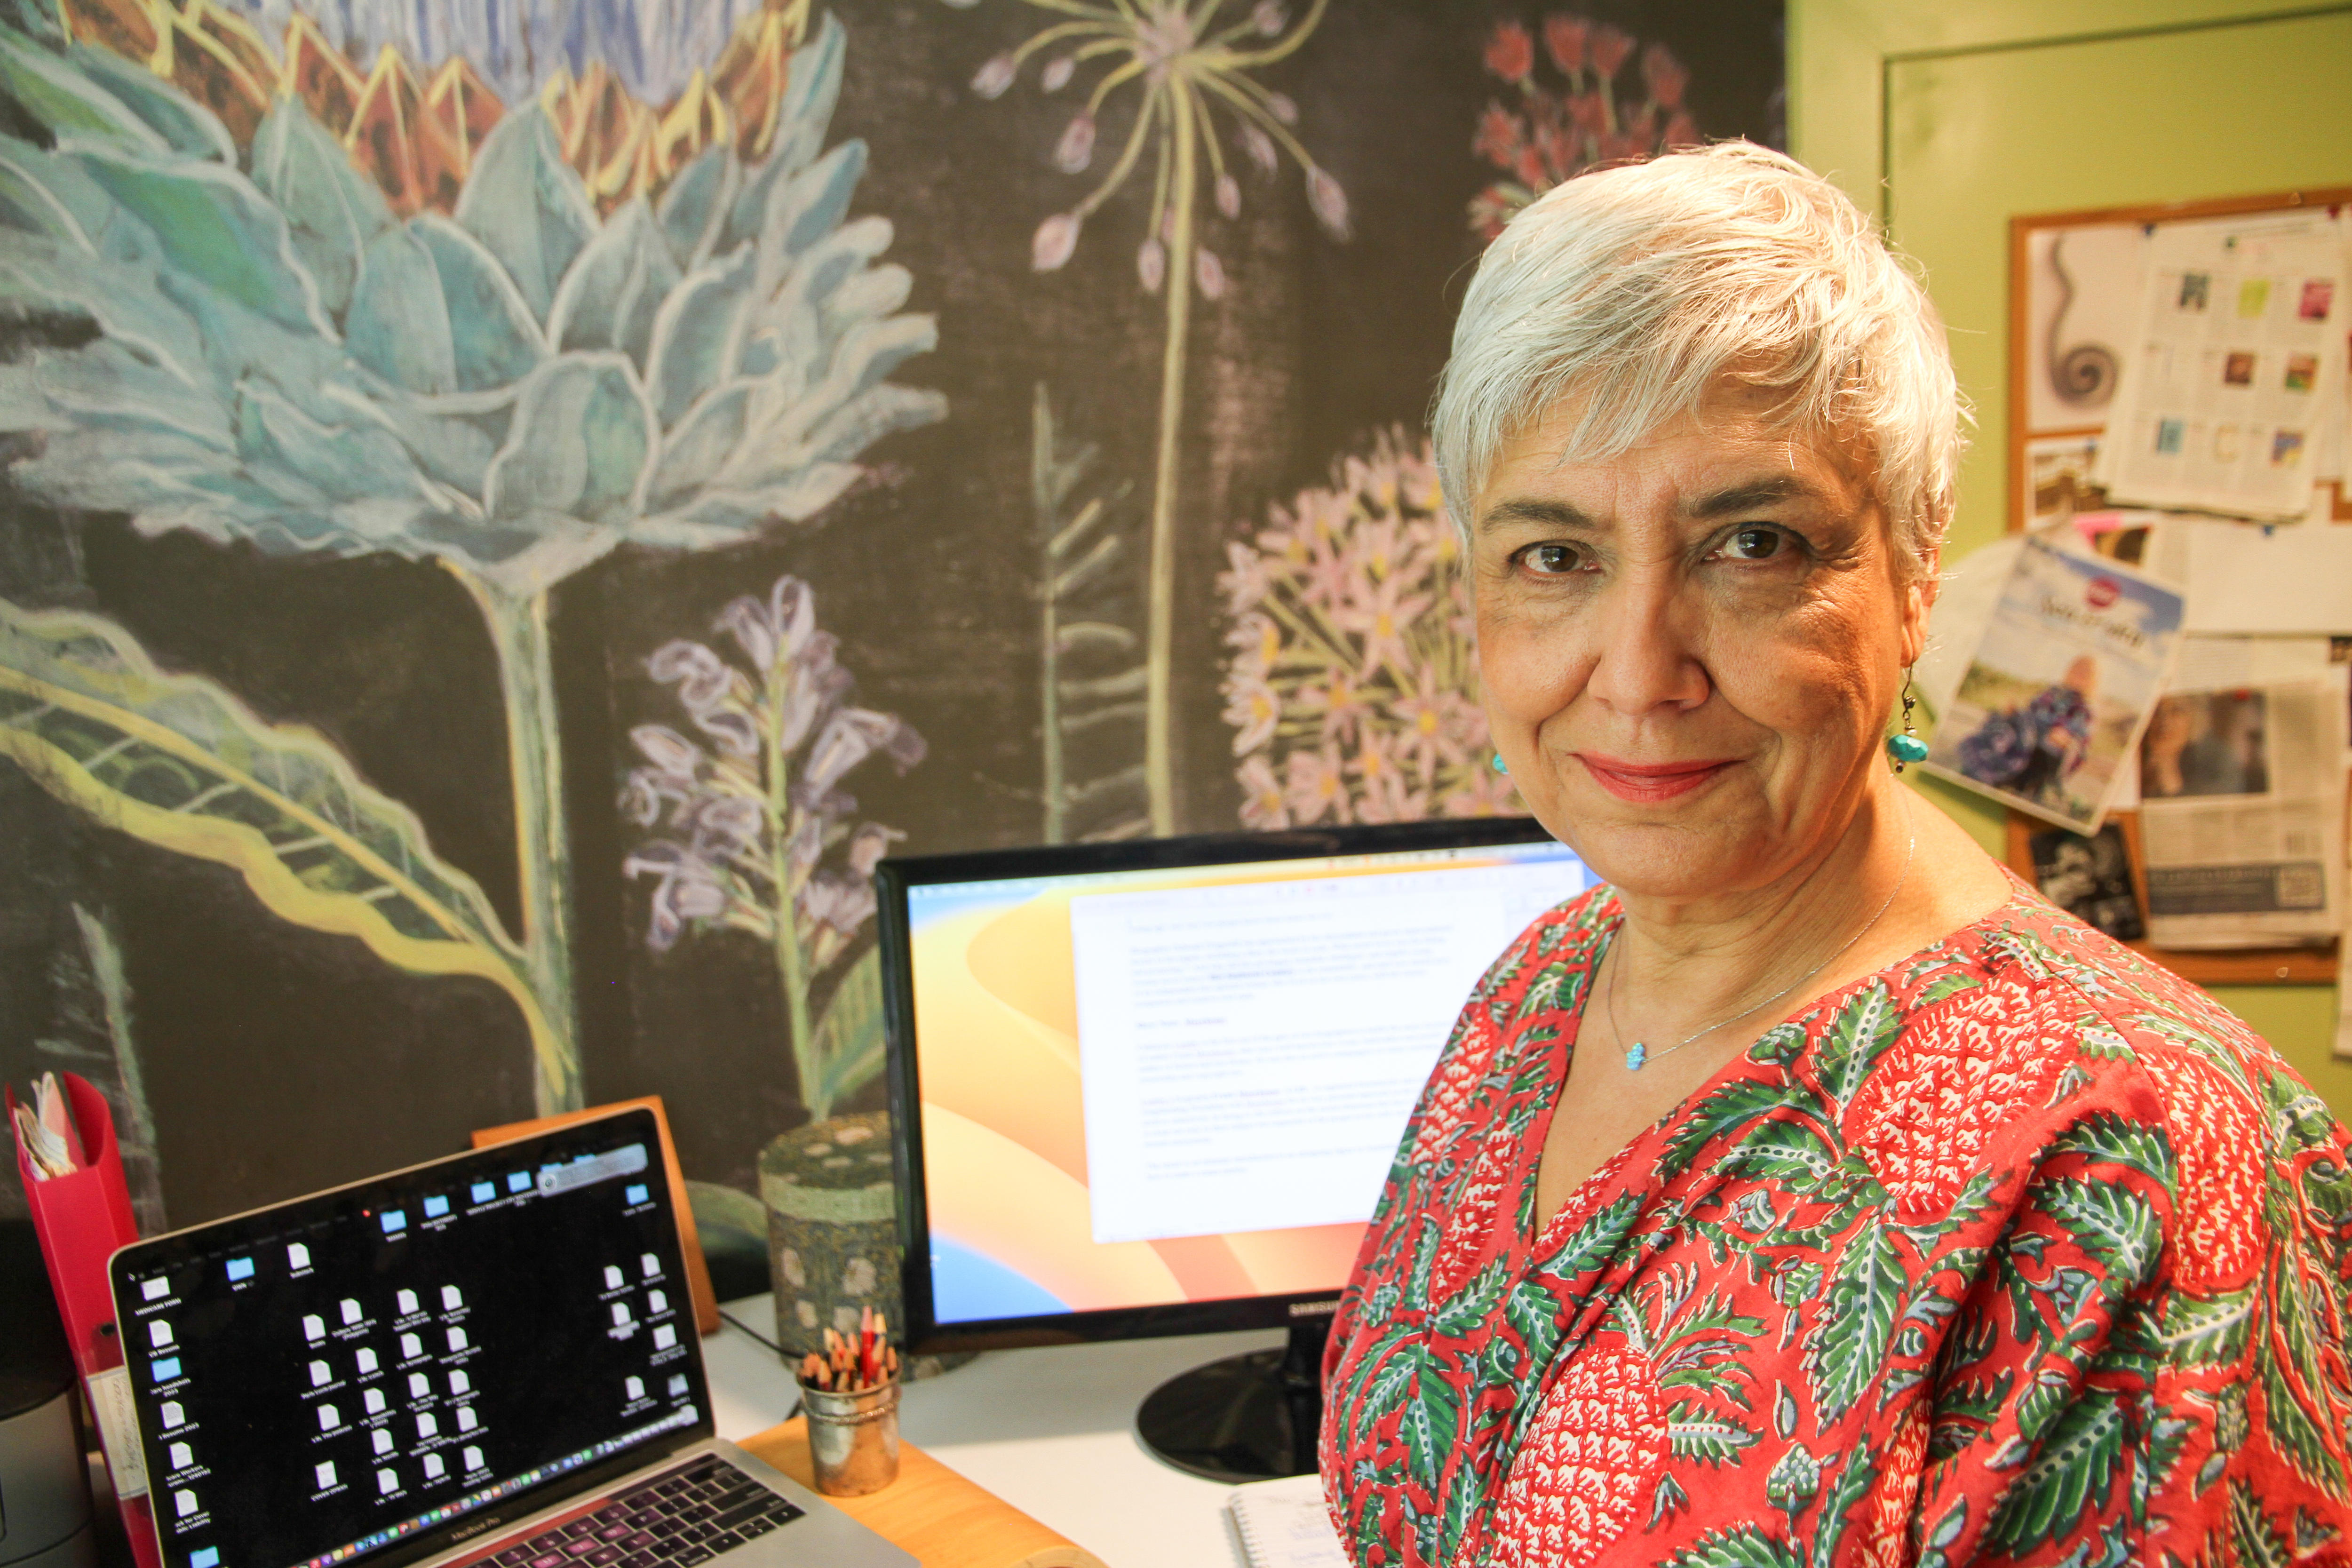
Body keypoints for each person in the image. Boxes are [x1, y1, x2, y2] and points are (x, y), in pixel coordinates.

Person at [1317, 143, 2352, 1568]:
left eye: (1749, 543)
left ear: (1915, 577)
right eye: (1553, 556)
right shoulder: (1534, 993)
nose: (1637, 673)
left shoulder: (2140, 1157)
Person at [1956, 653, 2098, 807]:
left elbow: (2080, 746)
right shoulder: (2053, 692)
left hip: (2048, 754)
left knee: (2031, 746)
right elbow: (2031, 712)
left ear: (2092, 679)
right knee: (2004, 729)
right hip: (2029, 735)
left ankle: (2005, 777)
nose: (2079, 675)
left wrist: (2065, 740)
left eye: (2085, 673)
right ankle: (1983, 767)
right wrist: (2015, 712)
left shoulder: (2086, 711)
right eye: (2077, 669)